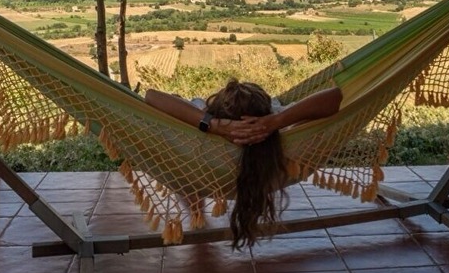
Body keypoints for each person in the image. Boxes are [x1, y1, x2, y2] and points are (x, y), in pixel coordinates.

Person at [144, 80, 342, 248]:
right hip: (267, 158)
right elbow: (336, 96)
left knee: (183, 150)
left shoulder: (204, 118)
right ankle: (196, 211)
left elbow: (152, 96)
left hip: (202, 159)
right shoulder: (276, 121)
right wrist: (277, 121)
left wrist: (210, 124)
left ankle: (196, 211)